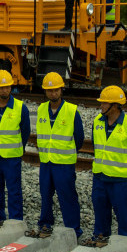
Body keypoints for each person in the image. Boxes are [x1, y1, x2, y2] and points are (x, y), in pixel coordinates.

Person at [90, 85, 127, 243]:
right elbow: (96, 146)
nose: (101, 106)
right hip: (100, 177)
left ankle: (124, 246)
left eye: (104, 103)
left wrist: (122, 166)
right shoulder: (97, 122)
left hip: (120, 180)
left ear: (115, 106)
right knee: (100, 213)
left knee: (123, 215)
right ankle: (100, 240)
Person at [36, 72, 82, 237]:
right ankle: (45, 224)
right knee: (46, 196)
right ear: (45, 92)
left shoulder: (71, 111)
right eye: (49, 90)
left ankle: (73, 229)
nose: (53, 93)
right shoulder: (41, 109)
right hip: (46, 162)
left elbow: (79, 138)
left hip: (64, 164)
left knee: (67, 197)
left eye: (56, 90)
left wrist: (66, 154)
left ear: (61, 90)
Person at [0, 70, 29, 228]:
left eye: (7, 87)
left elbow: (25, 132)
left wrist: (15, 148)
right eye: (1, 87)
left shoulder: (20, 108)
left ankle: (15, 220)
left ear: (11, 87)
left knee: (14, 190)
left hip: (12, 157)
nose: (4, 90)